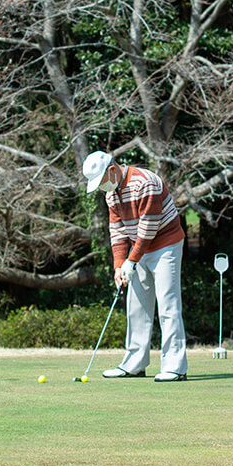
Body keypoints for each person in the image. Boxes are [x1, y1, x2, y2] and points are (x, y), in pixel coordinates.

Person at [81, 151, 188, 382]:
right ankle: (134, 364)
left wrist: (132, 260)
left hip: (166, 244)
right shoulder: (112, 195)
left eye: (101, 181)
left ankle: (175, 367)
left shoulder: (145, 183)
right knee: (136, 305)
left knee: (168, 304)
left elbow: (148, 229)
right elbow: (117, 231)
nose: (101, 187)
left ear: (112, 170)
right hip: (139, 248)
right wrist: (119, 265)